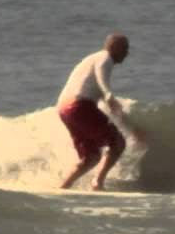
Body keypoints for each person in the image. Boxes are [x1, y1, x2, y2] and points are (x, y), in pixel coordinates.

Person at [55, 33, 142, 190]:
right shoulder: (104, 58)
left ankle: (64, 186)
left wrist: (130, 128)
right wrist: (108, 93)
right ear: (114, 47)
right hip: (79, 106)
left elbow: (110, 106)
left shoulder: (91, 60)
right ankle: (97, 183)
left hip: (64, 109)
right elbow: (102, 78)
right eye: (125, 48)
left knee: (91, 157)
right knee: (118, 143)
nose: (127, 53)